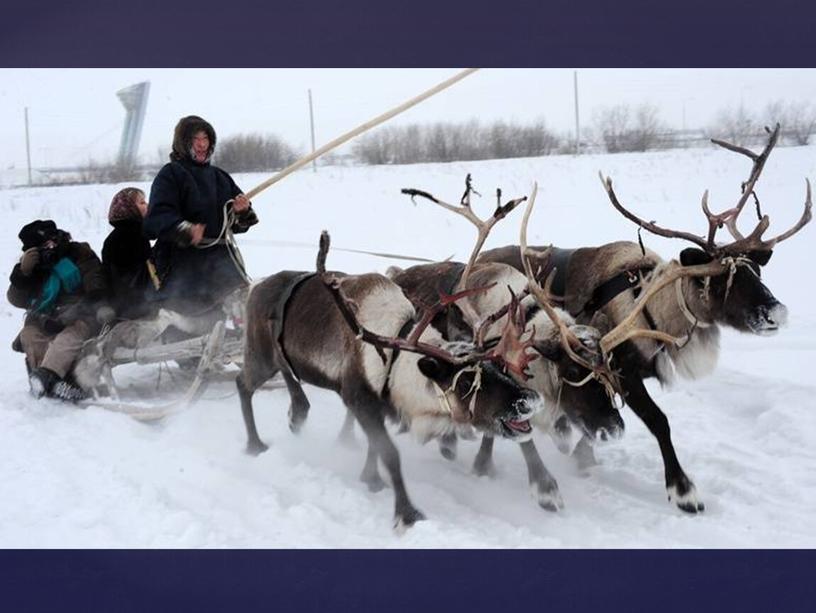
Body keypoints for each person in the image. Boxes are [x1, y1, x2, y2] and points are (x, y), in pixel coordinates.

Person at [143, 115, 258, 317]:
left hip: (222, 263)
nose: (202, 144)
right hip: (182, 264)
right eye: (196, 139)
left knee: (241, 316)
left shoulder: (220, 177)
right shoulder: (171, 174)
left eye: (206, 139)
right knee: (188, 324)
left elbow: (237, 224)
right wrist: (184, 229)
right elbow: (156, 218)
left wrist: (242, 211)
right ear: (183, 143)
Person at [7, 219, 112, 401]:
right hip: (44, 318)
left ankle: (49, 377)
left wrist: (73, 313)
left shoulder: (78, 253)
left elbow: (95, 282)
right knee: (29, 335)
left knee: (68, 337)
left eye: (51, 242)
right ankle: (50, 383)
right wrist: (22, 274)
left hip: (80, 314)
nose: (50, 248)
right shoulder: (34, 268)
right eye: (43, 247)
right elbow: (16, 300)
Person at [102, 187, 156, 320]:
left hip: (126, 304)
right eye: (142, 203)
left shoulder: (130, 233)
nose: (147, 205)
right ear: (129, 209)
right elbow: (134, 278)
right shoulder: (130, 237)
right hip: (133, 308)